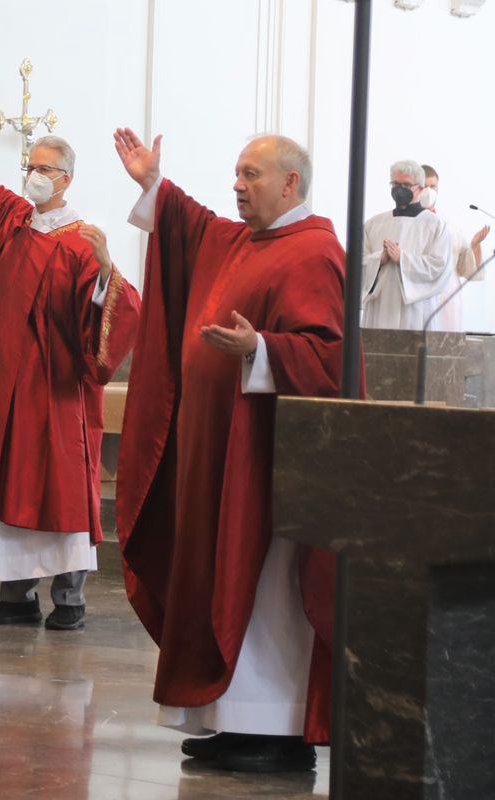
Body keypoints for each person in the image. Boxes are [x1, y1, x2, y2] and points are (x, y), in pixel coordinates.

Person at [113, 127, 347, 772]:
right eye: (237, 174)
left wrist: (263, 351)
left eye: (250, 175)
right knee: (220, 579)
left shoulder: (315, 252)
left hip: (265, 465)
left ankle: (276, 730)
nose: (237, 186)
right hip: (216, 453)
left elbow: (333, 356)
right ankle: (231, 719)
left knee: (264, 589)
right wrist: (152, 185)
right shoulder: (243, 239)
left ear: (290, 182)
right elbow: (194, 227)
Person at [0, 58, 140, 632]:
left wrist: (106, 270)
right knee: (4, 491)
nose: (33, 174)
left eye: (45, 168)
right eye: (30, 165)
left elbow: (114, 313)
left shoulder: (82, 240)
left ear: (66, 178)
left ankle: (69, 600)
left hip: (51, 393)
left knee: (57, 492)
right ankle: (15, 598)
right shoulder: (6, 220)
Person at [361, 160, 453, 331]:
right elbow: (356, 264)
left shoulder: (435, 225)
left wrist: (402, 258)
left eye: (406, 185)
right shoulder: (374, 224)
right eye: (395, 184)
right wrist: (379, 259)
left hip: (415, 310)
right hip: (379, 306)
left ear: (419, 188)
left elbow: (439, 267)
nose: (399, 189)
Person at [419, 164, 489, 331]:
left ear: (438, 188)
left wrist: (475, 246)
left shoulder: (451, 226)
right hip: (418, 299)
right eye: (424, 186)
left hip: (446, 298)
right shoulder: (406, 222)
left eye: (433, 186)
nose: (429, 191)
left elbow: (468, 270)